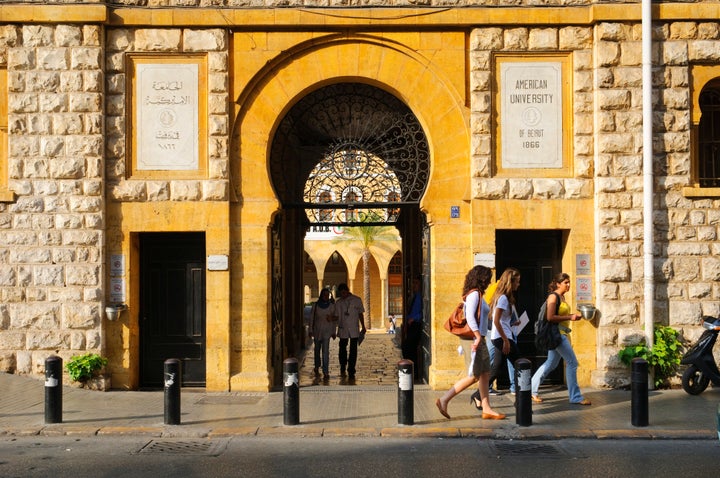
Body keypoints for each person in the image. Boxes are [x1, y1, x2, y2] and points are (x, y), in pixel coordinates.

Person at [435, 265, 506, 420]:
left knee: (485, 374)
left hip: (479, 338)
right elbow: (470, 317)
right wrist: (477, 336)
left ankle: (487, 408)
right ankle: (444, 399)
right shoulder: (474, 294)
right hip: (474, 339)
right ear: (481, 278)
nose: (489, 281)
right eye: (487, 278)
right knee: (474, 375)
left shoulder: (478, 294)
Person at [531, 273, 591, 405]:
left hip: (561, 334)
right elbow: (550, 317)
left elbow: (559, 315)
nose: (568, 285)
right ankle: (575, 397)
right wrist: (570, 317)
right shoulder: (553, 297)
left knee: (551, 363)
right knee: (572, 363)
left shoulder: (562, 297)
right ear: (558, 284)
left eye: (569, 282)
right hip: (557, 335)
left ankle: (531, 390)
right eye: (565, 282)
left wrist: (573, 316)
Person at [488, 267, 522, 396]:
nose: (518, 284)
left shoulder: (503, 297)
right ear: (510, 282)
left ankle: (478, 394)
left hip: (500, 337)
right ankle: (524, 394)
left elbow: (502, 321)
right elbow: (496, 320)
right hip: (503, 338)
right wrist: (506, 340)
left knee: (496, 368)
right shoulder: (502, 298)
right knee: (521, 364)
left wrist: (512, 323)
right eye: (517, 282)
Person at [335, 283, 366, 382]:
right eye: (341, 293)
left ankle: (351, 369)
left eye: (344, 292)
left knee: (353, 349)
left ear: (347, 291)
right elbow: (336, 316)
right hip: (343, 328)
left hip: (353, 328)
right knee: (342, 347)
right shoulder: (338, 303)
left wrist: (363, 326)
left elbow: (360, 313)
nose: (343, 295)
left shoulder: (357, 300)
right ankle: (343, 365)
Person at [308, 288, 337, 381]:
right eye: (324, 294)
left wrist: (333, 332)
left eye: (327, 295)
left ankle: (326, 371)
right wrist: (310, 330)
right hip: (317, 331)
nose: (325, 296)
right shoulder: (316, 306)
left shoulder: (331, 306)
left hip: (327, 332)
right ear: (321, 295)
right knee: (317, 350)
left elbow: (334, 321)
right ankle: (317, 365)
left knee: (325, 352)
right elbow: (311, 318)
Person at [402, 276, 423, 378]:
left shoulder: (421, 297)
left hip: (416, 325)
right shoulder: (414, 296)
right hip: (411, 325)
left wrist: (414, 319)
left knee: (409, 348)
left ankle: (413, 372)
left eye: (416, 283)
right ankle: (411, 371)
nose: (414, 285)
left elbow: (424, 312)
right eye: (413, 283)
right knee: (407, 348)